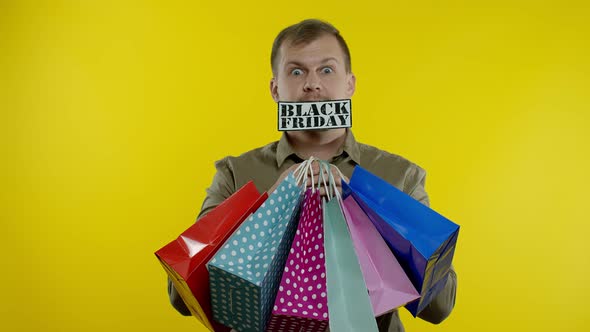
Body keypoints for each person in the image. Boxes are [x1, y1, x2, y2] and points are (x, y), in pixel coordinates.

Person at [168, 19, 457, 332]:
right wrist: (265, 207)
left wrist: (367, 209)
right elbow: (182, 297)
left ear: (350, 84)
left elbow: (439, 307)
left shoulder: (401, 177)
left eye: (327, 70)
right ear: (274, 88)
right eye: (296, 71)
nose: (312, 84)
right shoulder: (235, 174)